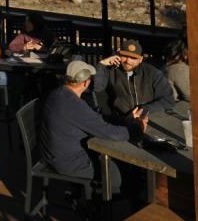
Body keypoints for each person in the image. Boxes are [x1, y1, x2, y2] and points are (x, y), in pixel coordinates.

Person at [41, 60, 148, 195]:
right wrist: (137, 129)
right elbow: (110, 133)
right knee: (117, 173)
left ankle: (94, 199)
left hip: (54, 153)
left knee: (113, 162)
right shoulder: (75, 105)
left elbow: (94, 120)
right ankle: (104, 206)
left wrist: (125, 121)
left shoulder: (58, 93)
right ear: (86, 83)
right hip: (68, 161)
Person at [93, 41, 174, 121]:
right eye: (124, 56)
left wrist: (145, 110)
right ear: (118, 54)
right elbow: (97, 88)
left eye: (133, 58)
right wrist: (102, 64)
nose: (128, 61)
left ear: (141, 59)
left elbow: (167, 100)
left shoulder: (152, 73)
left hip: (148, 120)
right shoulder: (110, 70)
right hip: (119, 120)